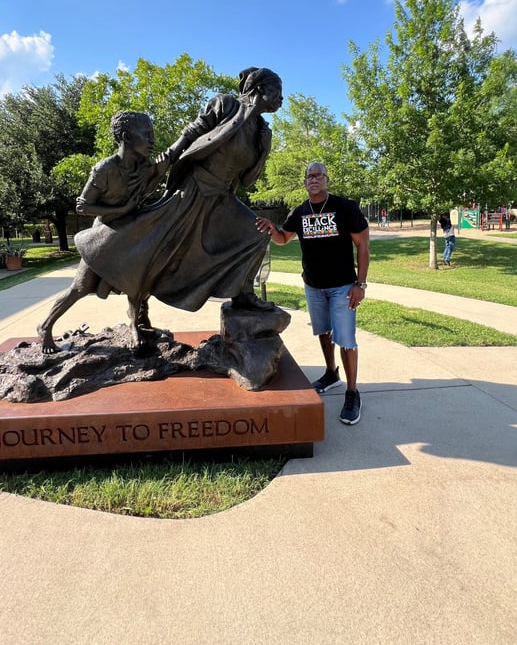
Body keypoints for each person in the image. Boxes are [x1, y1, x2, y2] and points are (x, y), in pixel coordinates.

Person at [76, 67, 283, 315]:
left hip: (222, 197)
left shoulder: (262, 131)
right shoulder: (226, 105)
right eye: (278, 91)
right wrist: (166, 161)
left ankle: (244, 295)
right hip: (194, 189)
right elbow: (193, 131)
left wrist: (265, 148)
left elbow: (248, 180)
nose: (282, 98)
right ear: (260, 88)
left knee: (257, 234)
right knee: (161, 250)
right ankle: (137, 303)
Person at [37, 111, 169, 353]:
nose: (152, 141)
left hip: (132, 232)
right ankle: (45, 327)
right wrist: (122, 208)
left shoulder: (145, 166)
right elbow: (82, 206)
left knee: (139, 281)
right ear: (127, 137)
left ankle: (136, 324)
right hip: (104, 237)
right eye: (146, 135)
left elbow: (156, 176)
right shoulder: (105, 169)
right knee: (80, 288)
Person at [256, 162, 369, 425]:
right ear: (305, 182)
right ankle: (331, 373)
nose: (314, 179)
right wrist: (271, 228)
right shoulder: (300, 212)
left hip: (343, 286)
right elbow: (283, 238)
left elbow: (363, 245)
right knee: (323, 332)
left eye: (319, 175)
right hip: (313, 285)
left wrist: (360, 284)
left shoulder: (344, 208)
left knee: (347, 340)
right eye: (309, 176)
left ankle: (352, 393)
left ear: (326, 180)